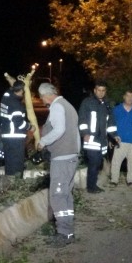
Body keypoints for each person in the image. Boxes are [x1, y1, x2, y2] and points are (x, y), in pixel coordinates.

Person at [37, 82, 81, 247]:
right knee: (66, 195)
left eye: (41, 97)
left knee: (57, 196)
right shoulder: (69, 106)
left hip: (62, 158)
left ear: (47, 94)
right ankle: (68, 231)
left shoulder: (57, 107)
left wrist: (43, 142)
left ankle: (63, 234)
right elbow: (75, 133)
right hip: (71, 157)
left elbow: (59, 130)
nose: (42, 100)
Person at [78, 80, 118, 193]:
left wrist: (114, 136)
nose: (101, 93)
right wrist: (85, 133)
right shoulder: (87, 102)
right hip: (91, 138)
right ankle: (91, 187)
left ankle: (92, 184)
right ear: (95, 90)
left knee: (97, 163)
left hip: (102, 140)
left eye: (103, 90)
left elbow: (110, 122)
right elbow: (82, 119)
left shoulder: (107, 105)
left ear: (105, 91)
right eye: (98, 90)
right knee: (94, 162)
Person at [110, 90, 132, 186]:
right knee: (116, 161)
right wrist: (112, 138)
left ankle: (131, 180)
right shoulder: (117, 109)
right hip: (120, 140)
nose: (130, 98)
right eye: (128, 96)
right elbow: (111, 124)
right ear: (124, 97)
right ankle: (114, 180)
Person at [0, 80, 29, 177]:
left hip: (6, 136)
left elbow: (9, 91)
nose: (23, 93)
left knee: (9, 162)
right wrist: (29, 126)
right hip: (15, 137)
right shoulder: (16, 105)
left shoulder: (6, 98)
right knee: (17, 164)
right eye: (23, 91)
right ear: (20, 90)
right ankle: (16, 184)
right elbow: (19, 123)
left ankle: (8, 183)